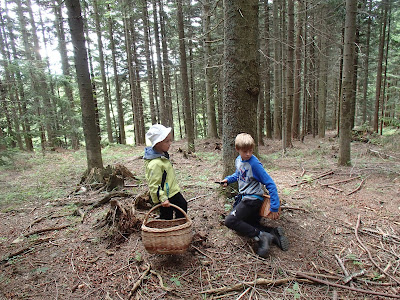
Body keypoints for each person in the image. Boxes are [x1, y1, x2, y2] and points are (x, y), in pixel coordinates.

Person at [221, 133, 289, 257]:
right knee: (244, 224)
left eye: (250, 151)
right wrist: (228, 180)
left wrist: (274, 206)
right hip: (244, 197)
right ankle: (272, 233)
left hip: (252, 199)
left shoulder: (254, 164)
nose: (248, 154)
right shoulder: (238, 160)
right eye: (245, 151)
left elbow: (270, 184)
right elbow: (239, 174)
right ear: (237, 149)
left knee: (230, 221)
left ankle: (262, 237)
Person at [143, 124, 187, 220]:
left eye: (170, 140)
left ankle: (180, 227)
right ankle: (166, 231)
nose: (170, 143)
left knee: (182, 205)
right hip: (164, 195)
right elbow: (154, 184)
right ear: (157, 143)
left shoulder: (162, 156)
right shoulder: (155, 164)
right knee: (167, 215)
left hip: (172, 191)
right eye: (167, 141)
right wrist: (163, 198)